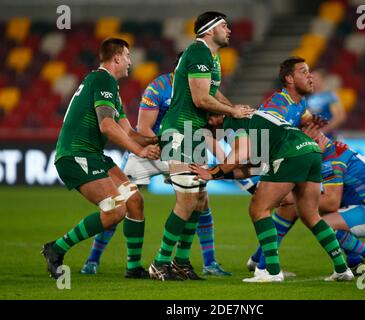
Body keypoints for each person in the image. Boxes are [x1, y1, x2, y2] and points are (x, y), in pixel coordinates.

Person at [191, 57, 354, 282]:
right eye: (303, 72)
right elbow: (248, 168)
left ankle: (271, 272)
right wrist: (217, 173)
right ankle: (342, 269)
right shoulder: (284, 106)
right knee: (310, 214)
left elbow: (241, 154)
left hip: (290, 153)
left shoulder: (233, 124)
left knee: (259, 208)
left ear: (213, 120)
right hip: (311, 152)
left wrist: (211, 173)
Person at [81, 63, 231, 276]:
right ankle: (93, 260)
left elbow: (204, 131)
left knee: (200, 199)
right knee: (119, 200)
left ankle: (209, 263)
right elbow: (142, 127)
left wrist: (226, 161)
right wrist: (165, 145)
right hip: (151, 149)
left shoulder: (202, 90)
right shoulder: (158, 88)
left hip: (184, 149)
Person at [41, 38, 160, 280]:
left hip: (93, 155)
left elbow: (128, 133)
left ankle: (133, 267)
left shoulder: (111, 88)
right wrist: (139, 152)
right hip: (76, 155)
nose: (130, 61)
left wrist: (156, 141)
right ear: (116, 58)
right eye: (127, 56)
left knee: (135, 201)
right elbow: (106, 125)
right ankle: (57, 248)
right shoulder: (102, 79)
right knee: (116, 210)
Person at [148, 11, 253, 281]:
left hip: (193, 133)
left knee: (199, 200)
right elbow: (200, 98)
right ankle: (160, 262)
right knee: (186, 199)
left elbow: (212, 92)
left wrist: (233, 108)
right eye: (224, 25)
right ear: (209, 30)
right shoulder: (198, 51)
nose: (229, 30)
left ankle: (181, 262)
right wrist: (233, 113)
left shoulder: (212, 57)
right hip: (180, 131)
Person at [249, 125, 365, 278]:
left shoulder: (331, 161)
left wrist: (296, 200)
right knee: (303, 210)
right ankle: (355, 262)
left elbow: (331, 202)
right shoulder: (328, 152)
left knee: (323, 224)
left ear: (315, 140)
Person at [306, 70, 346, 140]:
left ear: (322, 80)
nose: (312, 80)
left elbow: (340, 117)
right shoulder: (309, 98)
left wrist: (323, 130)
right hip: (314, 137)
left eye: (315, 78)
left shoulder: (330, 96)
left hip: (329, 138)